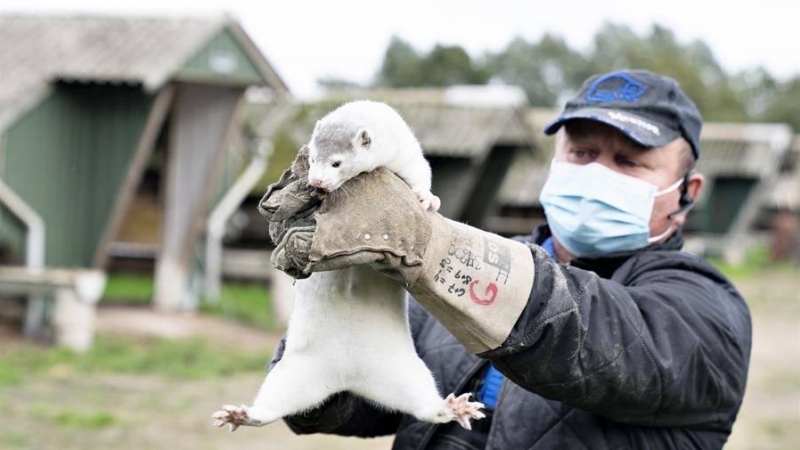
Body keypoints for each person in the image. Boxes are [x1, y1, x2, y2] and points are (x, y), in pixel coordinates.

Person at [262, 69, 752, 450]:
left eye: (628, 161)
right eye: (581, 152)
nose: (596, 173)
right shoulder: (475, 264)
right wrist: (326, 316)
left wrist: (426, 244)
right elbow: (362, 398)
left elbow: (593, 333)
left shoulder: (707, 311)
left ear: (688, 192)